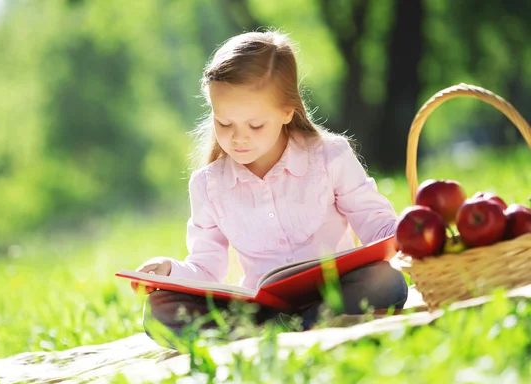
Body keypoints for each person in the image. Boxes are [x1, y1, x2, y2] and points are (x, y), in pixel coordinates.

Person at [132, 30, 408, 347]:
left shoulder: (330, 156)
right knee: (159, 310)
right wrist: (169, 271)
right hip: (258, 308)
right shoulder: (209, 185)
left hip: (336, 290)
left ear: (286, 112)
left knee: (386, 282)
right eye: (224, 124)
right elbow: (206, 270)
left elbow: (376, 223)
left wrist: (411, 230)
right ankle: (288, 328)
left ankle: (267, 335)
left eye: (255, 125)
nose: (239, 138)